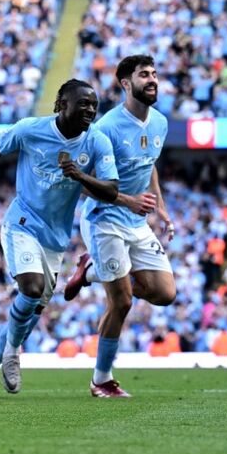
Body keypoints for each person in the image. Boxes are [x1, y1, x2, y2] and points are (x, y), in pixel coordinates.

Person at [0, 79, 120, 400]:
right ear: (61, 105)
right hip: (22, 222)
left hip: (55, 239)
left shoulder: (97, 143)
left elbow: (111, 191)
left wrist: (80, 175)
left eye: (94, 105)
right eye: (83, 104)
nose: (90, 110)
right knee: (32, 288)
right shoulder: (31, 130)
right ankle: (12, 352)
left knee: (30, 314)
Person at [63, 54, 176, 398]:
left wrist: (163, 209)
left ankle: (91, 270)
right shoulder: (106, 128)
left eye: (155, 74)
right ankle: (101, 380)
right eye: (145, 75)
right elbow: (80, 181)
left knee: (164, 293)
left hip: (137, 221)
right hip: (104, 219)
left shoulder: (160, 122)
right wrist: (128, 200)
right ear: (126, 84)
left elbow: (149, 165)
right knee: (122, 301)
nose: (152, 79)